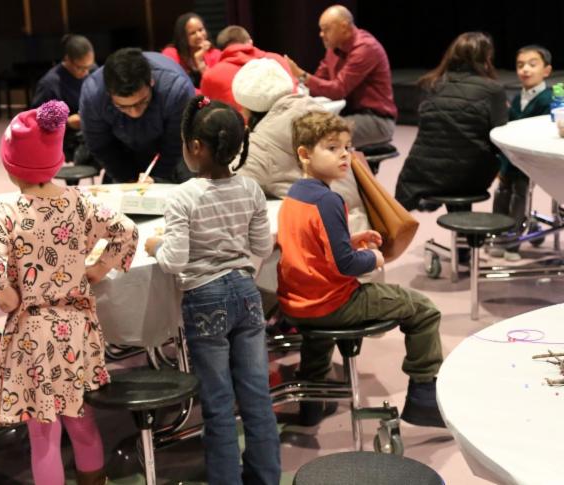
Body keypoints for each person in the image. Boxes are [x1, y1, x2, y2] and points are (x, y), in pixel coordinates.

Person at [0, 100, 138, 485]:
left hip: (32, 332)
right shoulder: (79, 203)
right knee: (82, 418)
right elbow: (127, 230)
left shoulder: (6, 213)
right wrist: (98, 269)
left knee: (43, 433)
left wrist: (9, 298)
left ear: (10, 166)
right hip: (76, 326)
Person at [145, 96, 281, 485]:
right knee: (257, 396)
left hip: (204, 297)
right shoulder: (251, 189)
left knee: (218, 402)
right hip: (246, 293)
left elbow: (174, 260)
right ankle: (266, 477)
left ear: (196, 146)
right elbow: (262, 246)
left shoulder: (183, 196)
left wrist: (155, 246)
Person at [279, 111, 445, 428]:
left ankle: (312, 404)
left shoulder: (295, 195)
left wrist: (351, 240)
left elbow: (312, 247)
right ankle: (423, 396)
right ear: (304, 154)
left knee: (317, 337)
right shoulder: (328, 200)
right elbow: (345, 265)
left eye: (346, 147)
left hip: (299, 303)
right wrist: (374, 258)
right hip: (333, 303)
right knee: (423, 309)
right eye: (331, 148)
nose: (344, 155)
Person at [231, 58, 371, 234]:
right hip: (360, 229)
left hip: (328, 241)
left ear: (246, 108)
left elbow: (228, 188)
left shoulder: (260, 144)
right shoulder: (317, 109)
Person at [395, 32, 508, 211]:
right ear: (486, 57)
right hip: (470, 176)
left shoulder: (430, 84)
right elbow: (499, 139)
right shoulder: (493, 90)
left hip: (422, 174)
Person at [286, 5, 397, 147]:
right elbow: (318, 83)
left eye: (326, 29)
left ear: (344, 27)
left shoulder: (365, 48)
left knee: (316, 134)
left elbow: (338, 90)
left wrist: (301, 75)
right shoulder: (334, 48)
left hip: (376, 119)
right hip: (347, 112)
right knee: (300, 125)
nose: (321, 34)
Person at [80, 47, 195, 183]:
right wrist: (127, 179)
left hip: (169, 150)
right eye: (122, 106)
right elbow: (101, 146)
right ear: (108, 93)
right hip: (121, 148)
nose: (135, 113)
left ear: (151, 81)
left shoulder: (176, 90)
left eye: (142, 102)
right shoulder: (93, 95)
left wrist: (157, 180)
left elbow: (175, 144)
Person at [491, 45, 553, 260]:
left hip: (530, 160)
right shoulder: (518, 97)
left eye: (532, 64)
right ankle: (497, 237)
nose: (525, 69)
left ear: (547, 70)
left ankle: (512, 243)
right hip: (511, 158)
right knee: (501, 194)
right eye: (520, 65)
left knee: (519, 197)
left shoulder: (548, 99)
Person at [31, 34, 97, 167]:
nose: (85, 72)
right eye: (80, 68)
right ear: (67, 59)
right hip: (66, 139)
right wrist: (67, 122)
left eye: (88, 67)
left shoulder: (93, 71)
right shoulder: (50, 84)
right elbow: (36, 122)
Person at [200, 25, 295, 113]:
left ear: (221, 51)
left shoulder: (211, 75)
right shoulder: (278, 60)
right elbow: (295, 95)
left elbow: (205, 110)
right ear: (250, 42)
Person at [161, 12, 221, 89]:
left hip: (206, 96)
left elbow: (215, 85)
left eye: (201, 30)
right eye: (192, 33)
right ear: (183, 36)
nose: (199, 36)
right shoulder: (171, 54)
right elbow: (170, 84)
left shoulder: (215, 54)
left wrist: (200, 61)